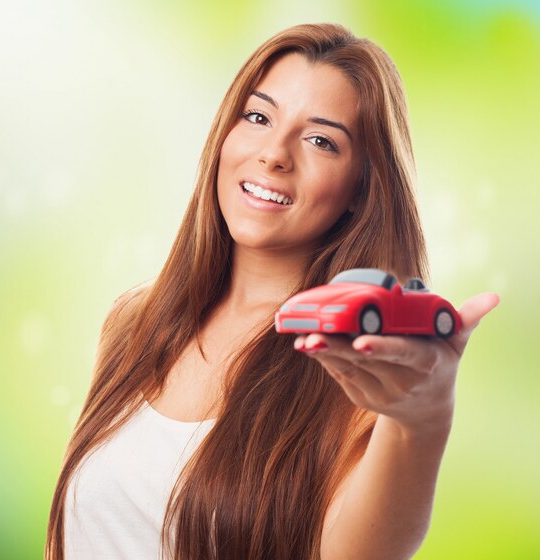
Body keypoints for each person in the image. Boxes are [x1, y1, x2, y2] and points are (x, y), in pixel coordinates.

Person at [45, 22, 499, 560]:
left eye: (321, 141)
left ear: (361, 188)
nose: (275, 154)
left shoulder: (356, 369)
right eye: (258, 117)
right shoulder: (132, 323)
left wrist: (420, 420)